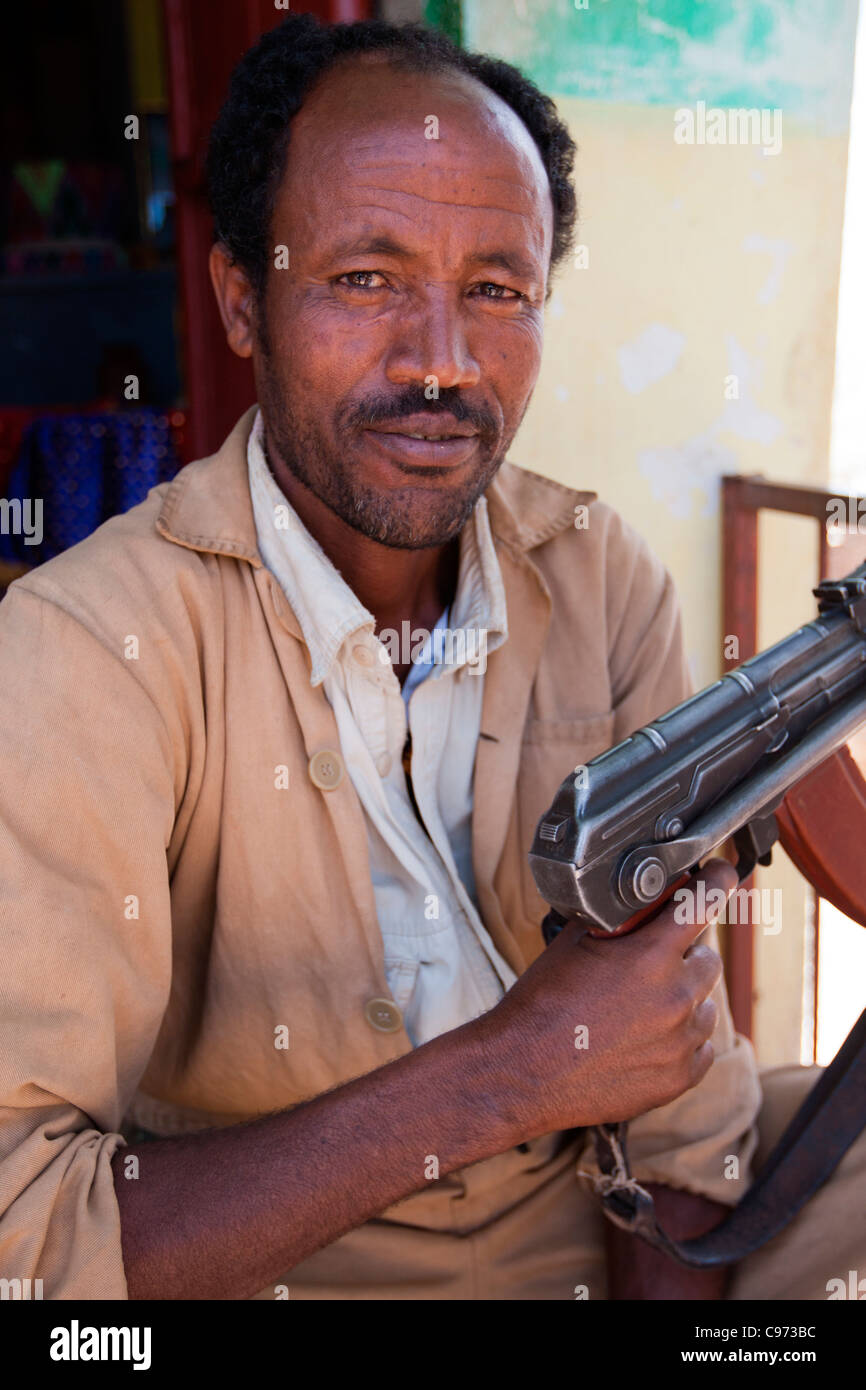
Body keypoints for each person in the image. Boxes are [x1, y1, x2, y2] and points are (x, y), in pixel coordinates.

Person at [0, 15, 860, 1302]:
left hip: (594, 1229)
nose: (442, 363)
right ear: (243, 300)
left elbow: (676, 1119)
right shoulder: (87, 651)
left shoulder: (594, 570)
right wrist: (515, 1067)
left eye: (497, 291)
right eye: (365, 278)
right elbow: (33, 1240)